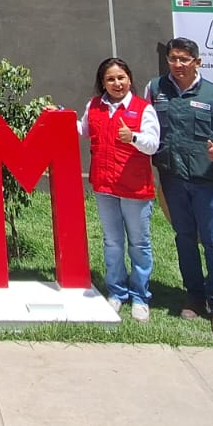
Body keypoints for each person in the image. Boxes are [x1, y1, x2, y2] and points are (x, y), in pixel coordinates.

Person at [146, 37, 213, 336]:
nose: (178, 64)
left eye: (185, 59)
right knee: (184, 237)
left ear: (197, 62)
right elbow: (148, 127)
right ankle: (194, 296)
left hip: (205, 178)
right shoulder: (156, 89)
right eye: (173, 58)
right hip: (172, 177)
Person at [79, 57, 159, 320]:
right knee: (112, 242)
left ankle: (140, 296)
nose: (116, 83)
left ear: (129, 79)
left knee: (138, 243)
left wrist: (133, 137)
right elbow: (82, 129)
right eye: (110, 79)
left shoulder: (143, 108)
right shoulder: (94, 106)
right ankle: (116, 291)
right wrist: (58, 115)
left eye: (121, 78)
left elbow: (153, 144)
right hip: (105, 186)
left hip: (134, 188)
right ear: (102, 83)